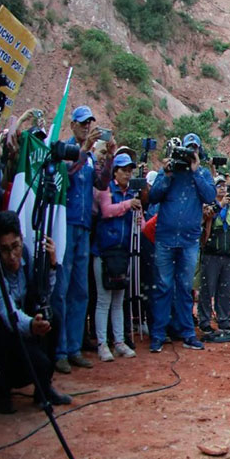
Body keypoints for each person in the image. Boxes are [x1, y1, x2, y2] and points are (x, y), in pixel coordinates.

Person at [147, 133, 217, 352]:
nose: (190, 153)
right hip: (165, 238)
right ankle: (158, 335)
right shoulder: (168, 171)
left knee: (185, 288)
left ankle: (187, 333)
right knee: (163, 287)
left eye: (194, 149)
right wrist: (166, 174)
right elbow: (153, 197)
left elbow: (210, 196)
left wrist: (196, 171)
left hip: (188, 241)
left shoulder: (202, 173)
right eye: (187, 149)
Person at [0, 210, 71, 413]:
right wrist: (31, 325)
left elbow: (43, 294)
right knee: (2, 333)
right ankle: (1, 392)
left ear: (22, 240)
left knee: (53, 316)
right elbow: (7, 312)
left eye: (15, 247)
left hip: (25, 326)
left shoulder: (27, 256)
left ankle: (43, 390)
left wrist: (52, 265)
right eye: (4, 250)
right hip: (9, 331)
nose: (12, 256)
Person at [52, 105, 103, 373]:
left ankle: (73, 347)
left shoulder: (91, 156)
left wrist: (110, 155)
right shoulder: (65, 150)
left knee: (80, 290)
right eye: (82, 123)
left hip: (85, 227)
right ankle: (59, 349)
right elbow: (67, 173)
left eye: (89, 123)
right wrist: (85, 152)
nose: (86, 127)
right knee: (61, 289)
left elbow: (101, 185)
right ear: (72, 125)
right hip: (65, 223)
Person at [91, 152, 141, 361]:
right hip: (103, 251)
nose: (128, 175)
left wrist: (141, 220)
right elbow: (106, 211)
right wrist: (127, 205)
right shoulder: (106, 189)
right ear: (115, 172)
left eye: (130, 171)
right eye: (124, 170)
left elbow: (141, 223)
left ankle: (119, 341)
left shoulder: (132, 193)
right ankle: (103, 343)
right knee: (104, 300)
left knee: (119, 300)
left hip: (122, 252)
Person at [198, 178, 230, 335]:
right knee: (207, 289)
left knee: (225, 289)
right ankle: (204, 321)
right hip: (211, 253)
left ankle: (224, 320)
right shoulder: (208, 205)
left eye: (225, 186)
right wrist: (220, 205)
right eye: (219, 186)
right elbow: (205, 218)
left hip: (228, 254)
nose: (223, 189)